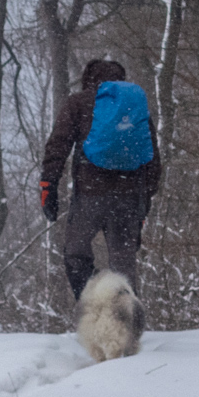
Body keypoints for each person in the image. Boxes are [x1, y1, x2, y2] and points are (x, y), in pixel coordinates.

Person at [39, 58, 161, 301]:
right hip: (128, 199)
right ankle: (128, 326)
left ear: (89, 79)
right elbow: (153, 159)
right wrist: (143, 204)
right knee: (124, 267)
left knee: (76, 255)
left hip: (90, 196)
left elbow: (58, 146)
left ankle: (95, 305)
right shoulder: (135, 107)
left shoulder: (80, 102)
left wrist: (48, 186)